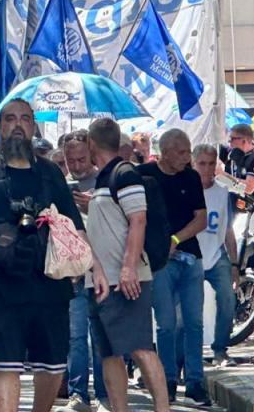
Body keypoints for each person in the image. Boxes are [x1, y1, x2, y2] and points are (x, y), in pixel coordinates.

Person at [0, 99, 108, 412]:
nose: (17, 125)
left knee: (52, 365)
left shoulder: (50, 173)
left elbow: (74, 225)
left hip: (50, 281)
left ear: (33, 126)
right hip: (1, 285)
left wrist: (95, 268)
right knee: (5, 365)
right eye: (9, 119)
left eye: (24, 119)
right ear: (0, 126)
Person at [83, 119, 170, 412]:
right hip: (101, 280)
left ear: (92, 145)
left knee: (141, 348)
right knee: (109, 352)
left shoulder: (125, 173)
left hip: (124, 278)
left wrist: (129, 267)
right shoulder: (105, 178)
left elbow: (138, 219)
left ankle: (163, 408)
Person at [136, 129, 210, 405]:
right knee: (166, 324)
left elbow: (200, 219)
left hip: (191, 257)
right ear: (164, 152)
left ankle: (195, 381)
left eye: (188, 151)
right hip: (159, 262)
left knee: (194, 322)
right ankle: (166, 379)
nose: (186, 157)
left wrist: (176, 239)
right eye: (181, 152)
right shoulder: (144, 175)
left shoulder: (190, 177)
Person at [57, 129, 107, 412]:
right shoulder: (62, 185)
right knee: (76, 335)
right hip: (73, 269)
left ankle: (103, 392)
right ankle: (78, 393)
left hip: (101, 266)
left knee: (99, 333)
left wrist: (96, 205)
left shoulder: (105, 182)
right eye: (71, 160)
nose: (76, 166)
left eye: (81, 159)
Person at [192, 144, 239, 367]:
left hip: (216, 253)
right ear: (193, 164)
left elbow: (227, 229)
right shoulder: (186, 189)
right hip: (192, 255)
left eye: (211, 163)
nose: (207, 168)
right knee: (192, 308)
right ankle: (188, 354)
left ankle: (220, 349)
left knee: (228, 299)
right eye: (202, 163)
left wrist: (234, 263)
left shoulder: (221, 192)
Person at [225, 123, 254, 207]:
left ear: (244, 141)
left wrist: (223, 175)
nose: (230, 143)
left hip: (250, 210)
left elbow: (249, 188)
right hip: (233, 206)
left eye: (232, 139)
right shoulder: (233, 157)